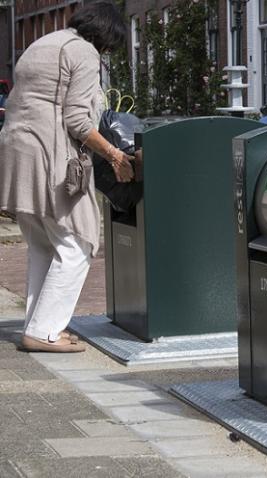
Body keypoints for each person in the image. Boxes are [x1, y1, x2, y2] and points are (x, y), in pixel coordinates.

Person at [0, 2, 134, 353]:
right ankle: (44, 332)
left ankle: (37, 326)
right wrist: (115, 155)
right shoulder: (83, 52)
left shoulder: (43, 43)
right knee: (78, 243)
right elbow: (77, 120)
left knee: (43, 245)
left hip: (16, 154)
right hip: (49, 156)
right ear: (105, 36)